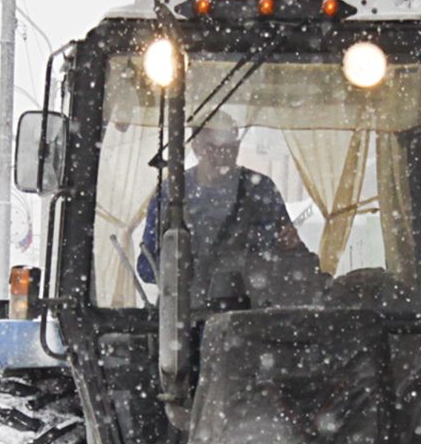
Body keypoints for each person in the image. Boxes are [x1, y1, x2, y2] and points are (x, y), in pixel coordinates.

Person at [138, 108, 323, 306]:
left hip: (248, 316)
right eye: (212, 147)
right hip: (181, 318)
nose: (221, 155)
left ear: (237, 147)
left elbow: (292, 253)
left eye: (228, 147)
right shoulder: (171, 194)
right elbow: (146, 267)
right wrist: (176, 268)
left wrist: (286, 252)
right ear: (196, 147)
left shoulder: (260, 191)